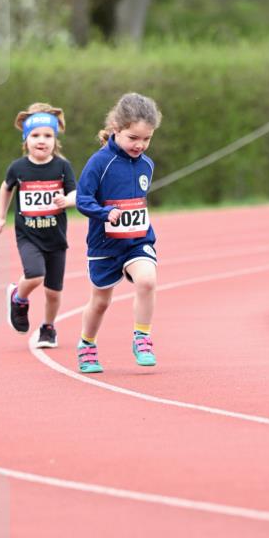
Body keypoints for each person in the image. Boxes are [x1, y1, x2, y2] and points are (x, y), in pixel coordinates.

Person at [75, 92, 162, 373]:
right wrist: (104, 212)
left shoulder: (147, 164)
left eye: (146, 139)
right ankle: (87, 345)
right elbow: (82, 199)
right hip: (105, 245)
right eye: (133, 138)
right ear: (116, 129)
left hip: (137, 240)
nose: (140, 145)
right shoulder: (99, 163)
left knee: (147, 280)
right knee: (100, 302)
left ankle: (142, 337)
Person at [0, 103, 77, 348]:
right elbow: (6, 188)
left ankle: (48, 328)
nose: (42, 140)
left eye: (48, 136)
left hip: (56, 238)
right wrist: (1, 216)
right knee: (35, 275)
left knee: (53, 292)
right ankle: (18, 298)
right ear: (26, 139)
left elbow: (75, 193)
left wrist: (67, 200)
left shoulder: (62, 167)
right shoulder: (18, 168)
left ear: (55, 139)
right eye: (35, 135)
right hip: (28, 235)